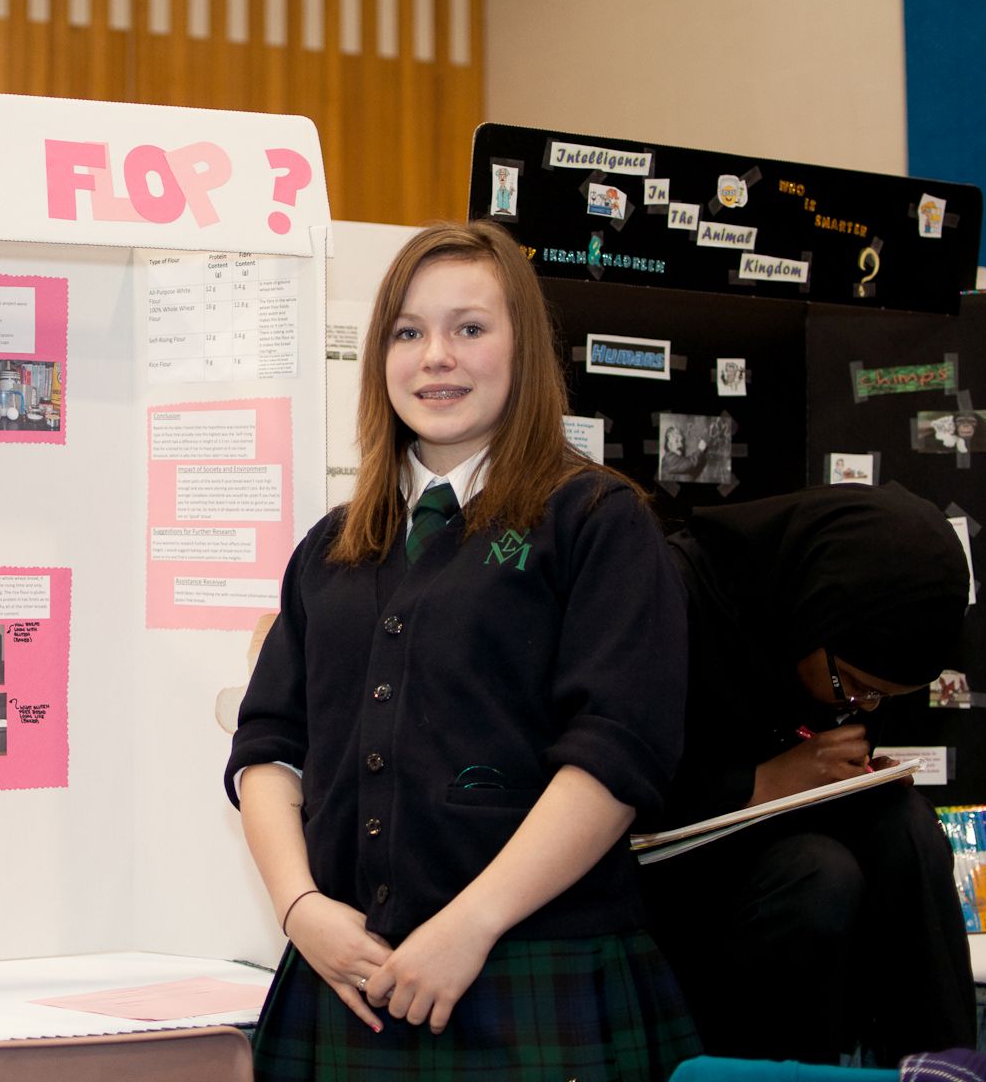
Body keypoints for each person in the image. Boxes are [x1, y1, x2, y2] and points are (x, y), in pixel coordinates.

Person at [224, 221, 699, 1081]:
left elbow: (615, 757)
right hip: (343, 982)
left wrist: (471, 924)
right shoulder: (330, 549)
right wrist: (298, 910)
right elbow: (266, 750)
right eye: (407, 332)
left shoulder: (596, 522)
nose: (435, 356)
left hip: (534, 979)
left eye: (469, 328)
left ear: (523, 350)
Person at [640, 483, 975, 1065]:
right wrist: (762, 782)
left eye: (882, 698)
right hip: (675, 881)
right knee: (819, 874)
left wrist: (855, 780)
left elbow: (817, 743)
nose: (863, 707)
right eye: (857, 687)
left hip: (785, 851)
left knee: (908, 825)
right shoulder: (673, 594)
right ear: (817, 609)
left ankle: (944, 1070)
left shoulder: (843, 637)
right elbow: (614, 787)